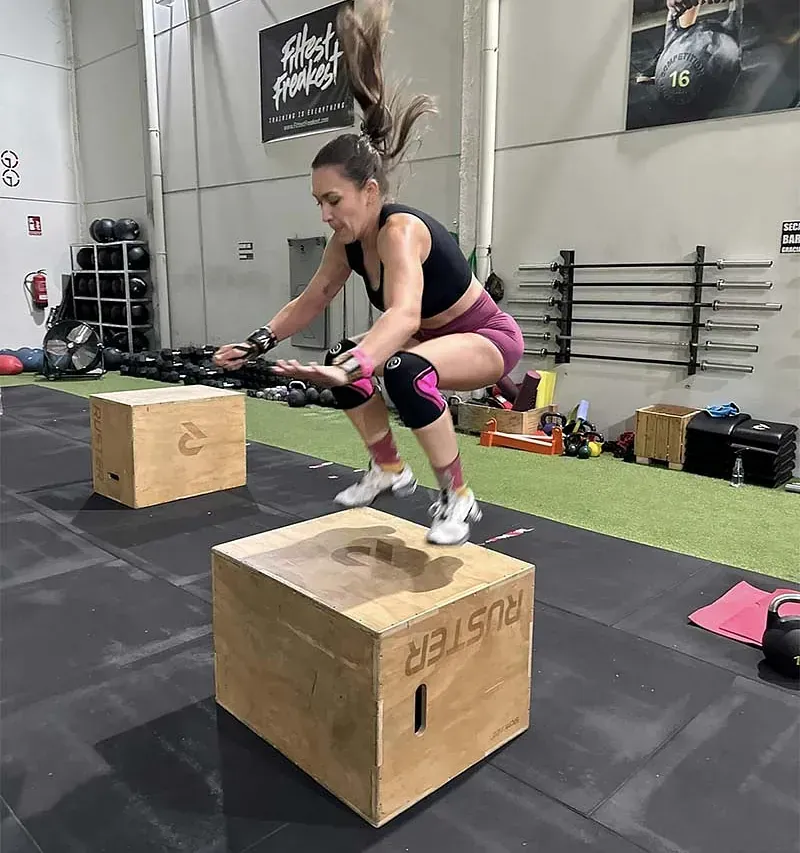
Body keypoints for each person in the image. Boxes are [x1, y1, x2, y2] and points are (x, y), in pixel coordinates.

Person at [214, 0, 524, 546]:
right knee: (344, 355)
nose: (325, 214)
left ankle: (458, 495)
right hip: (428, 338)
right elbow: (310, 300)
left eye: (333, 200)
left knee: (402, 370)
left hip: (486, 338)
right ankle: (388, 467)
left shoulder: (400, 231)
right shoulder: (347, 243)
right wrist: (256, 342)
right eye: (319, 202)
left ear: (371, 191)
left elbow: (403, 316)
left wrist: (358, 365)